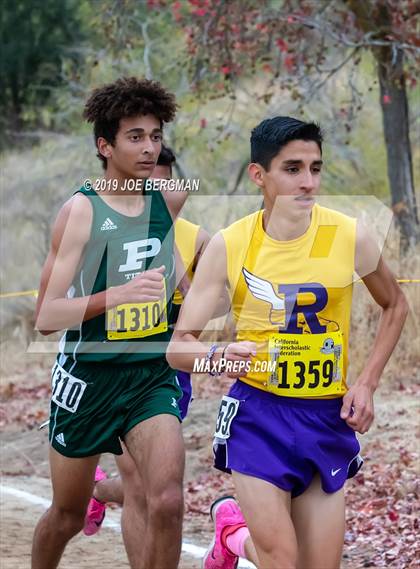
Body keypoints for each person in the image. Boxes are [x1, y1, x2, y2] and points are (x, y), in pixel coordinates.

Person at [167, 116, 408, 569]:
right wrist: (218, 358)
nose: (308, 182)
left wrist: (367, 383)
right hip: (259, 416)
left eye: (315, 168)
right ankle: (239, 537)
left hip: (325, 417)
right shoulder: (229, 243)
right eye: (293, 169)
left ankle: (232, 536)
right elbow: (179, 346)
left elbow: (395, 305)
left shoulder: (348, 234)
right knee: (282, 559)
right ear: (259, 175)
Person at [32, 77, 185, 569]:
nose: (149, 147)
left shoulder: (169, 199)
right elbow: (46, 317)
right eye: (135, 137)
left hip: (149, 375)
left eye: (155, 135)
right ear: (105, 145)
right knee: (67, 514)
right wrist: (114, 297)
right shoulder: (80, 211)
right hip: (89, 378)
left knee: (166, 500)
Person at [83, 147, 211, 569]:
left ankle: (98, 491)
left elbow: (204, 306)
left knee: (158, 490)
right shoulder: (106, 228)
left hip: (172, 369)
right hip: (123, 368)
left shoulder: (197, 238)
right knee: (140, 484)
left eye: (160, 184)